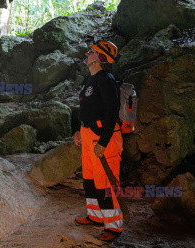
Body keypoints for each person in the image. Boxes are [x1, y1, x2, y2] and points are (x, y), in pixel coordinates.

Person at [73, 40, 123, 241]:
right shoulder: (90, 79)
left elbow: (112, 112)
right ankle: (95, 216)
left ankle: (113, 226)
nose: (87, 53)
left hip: (104, 137)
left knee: (105, 182)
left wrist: (103, 141)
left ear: (100, 58)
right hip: (88, 135)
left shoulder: (106, 80)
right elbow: (86, 108)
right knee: (91, 179)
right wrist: (78, 130)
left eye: (91, 52)